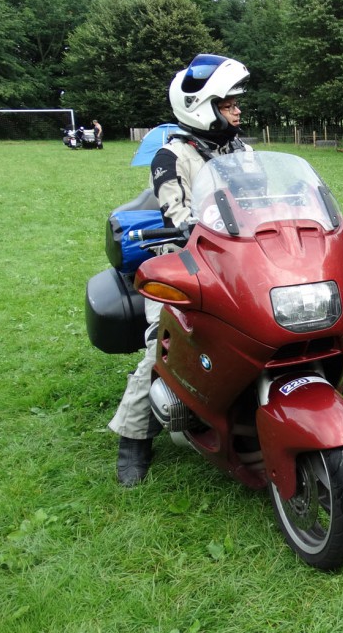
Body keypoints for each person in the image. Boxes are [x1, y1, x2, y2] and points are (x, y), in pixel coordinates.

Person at [108, 54, 252, 486]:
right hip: (184, 264)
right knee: (164, 349)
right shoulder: (171, 157)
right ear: (203, 107)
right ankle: (134, 437)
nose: (238, 110)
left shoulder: (241, 150)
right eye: (229, 104)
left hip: (237, 261)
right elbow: (178, 215)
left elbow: (262, 198)